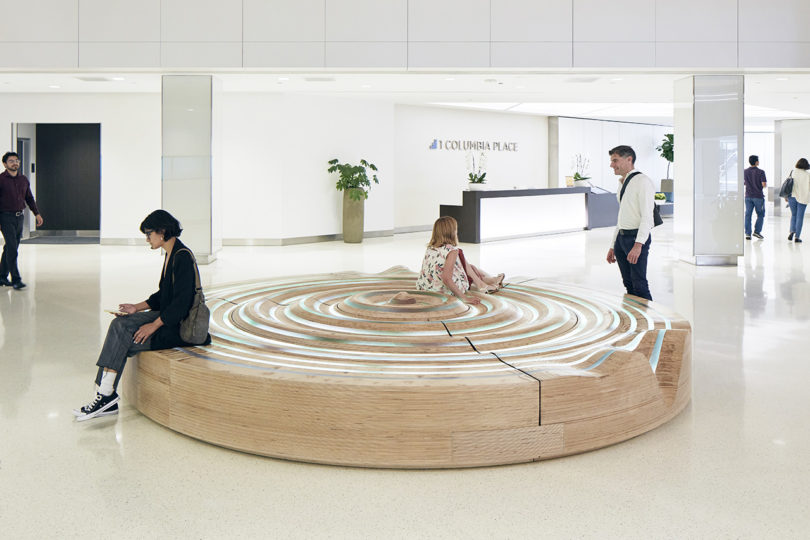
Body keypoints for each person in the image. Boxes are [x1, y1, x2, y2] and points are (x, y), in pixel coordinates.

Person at [73, 209, 211, 421]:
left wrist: (153, 325)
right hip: (168, 318)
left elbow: (181, 304)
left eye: (149, 234)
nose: (147, 239)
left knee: (123, 335)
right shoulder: (171, 254)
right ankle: (105, 394)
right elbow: (162, 295)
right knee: (120, 324)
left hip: (180, 328)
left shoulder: (182, 257)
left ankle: (104, 394)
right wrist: (136, 307)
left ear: (162, 231)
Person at [415, 216, 504, 305]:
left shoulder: (431, 247)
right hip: (442, 290)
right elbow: (446, 279)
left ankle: (486, 282)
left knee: (469, 266)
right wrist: (464, 298)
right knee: (467, 264)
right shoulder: (452, 250)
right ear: (452, 232)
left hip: (424, 287)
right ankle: (485, 283)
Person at [605, 145, 655, 301]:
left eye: (615, 160)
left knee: (640, 284)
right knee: (628, 283)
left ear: (629, 159)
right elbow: (622, 215)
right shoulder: (622, 182)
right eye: (612, 161)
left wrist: (638, 245)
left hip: (635, 239)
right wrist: (614, 245)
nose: (612, 165)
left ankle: (652, 321)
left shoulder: (642, 181)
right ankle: (637, 320)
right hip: (622, 239)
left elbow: (647, 217)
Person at [0, 151, 44, 290]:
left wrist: (36, 214)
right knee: (13, 248)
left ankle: (1, 276)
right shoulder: (1, 179)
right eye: (11, 161)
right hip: (5, 217)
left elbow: (29, 198)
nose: (15, 163)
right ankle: (16, 280)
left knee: (10, 247)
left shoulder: (23, 179)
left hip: (19, 217)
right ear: (5, 164)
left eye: (17, 160)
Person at [744, 155, 767, 240]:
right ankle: (757, 232)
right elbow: (764, 185)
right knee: (760, 214)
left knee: (748, 215)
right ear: (756, 162)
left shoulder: (745, 171)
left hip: (748, 196)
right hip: (758, 197)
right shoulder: (761, 172)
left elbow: (744, 182)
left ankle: (747, 234)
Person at [787, 158, 810, 243]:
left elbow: (788, 185)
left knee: (794, 215)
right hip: (803, 197)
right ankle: (797, 237)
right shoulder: (807, 175)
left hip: (792, 197)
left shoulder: (793, 172)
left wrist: (786, 196)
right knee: (800, 217)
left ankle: (792, 231)